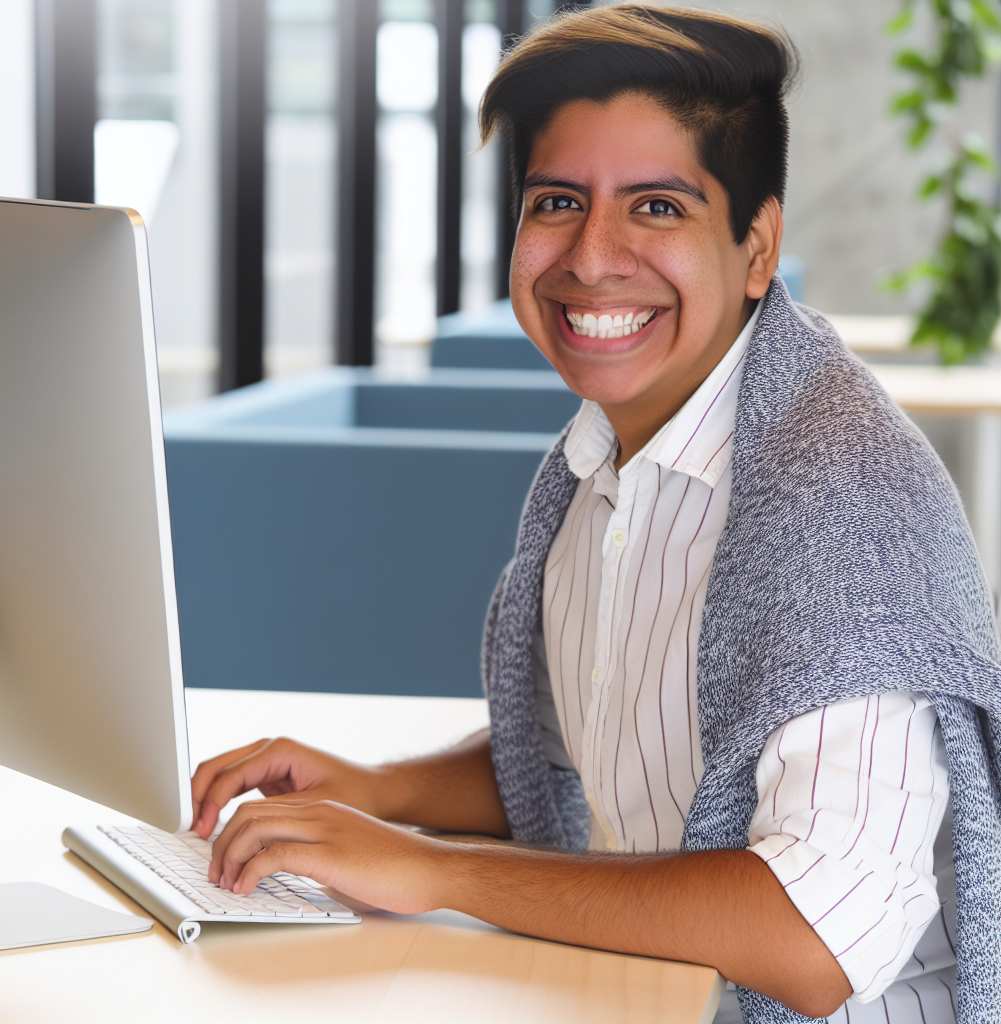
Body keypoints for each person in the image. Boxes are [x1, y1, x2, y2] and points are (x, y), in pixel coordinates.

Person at [189, 7, 1001, 1022]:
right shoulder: (603, 461)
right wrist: (379, 791)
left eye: (657, 207)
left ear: (757, 247)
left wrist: (435, 869)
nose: (590, 255)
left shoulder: (838, 506)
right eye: (557, 200)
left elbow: (813, 936)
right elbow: (604, 748)